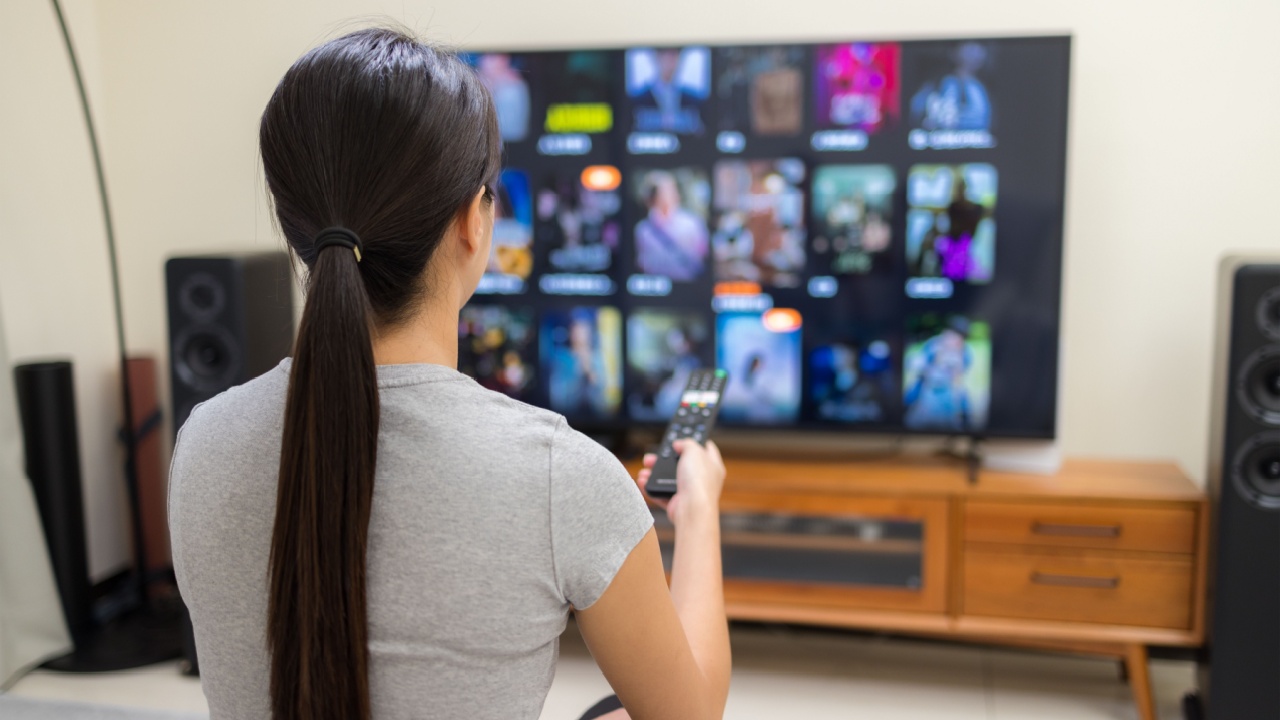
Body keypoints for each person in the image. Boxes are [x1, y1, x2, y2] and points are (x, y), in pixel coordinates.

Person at [168, 29, 730, 720]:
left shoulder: (202, 443)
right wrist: (698, 512)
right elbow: (691, 712)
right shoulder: (560, 475)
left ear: (297, 228)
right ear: (473, 220)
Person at [634, 171, 708, 281]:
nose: (672, 194)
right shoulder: (643, 230)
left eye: (672, 189)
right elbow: (642, 264)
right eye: (665, 191)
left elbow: (703, 254)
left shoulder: (691, 223)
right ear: (653, 196)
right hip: (656, 290)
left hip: (687, 285)